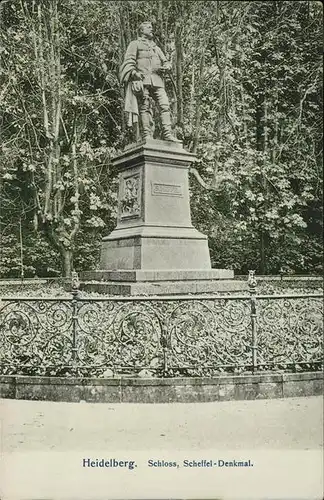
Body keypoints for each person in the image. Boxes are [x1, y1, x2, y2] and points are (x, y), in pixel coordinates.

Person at [119, 21, 179, 142]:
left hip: (157, 80)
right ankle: (147, 135)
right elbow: (128, 62)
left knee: (165, 105)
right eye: (148, 28)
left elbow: (166, 61)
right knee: (145, 107)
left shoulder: (156, 48)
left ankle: (167, 133)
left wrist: (167, 66)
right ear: (141, 31)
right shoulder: (134, 44)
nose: (151, 29)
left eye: (152, 27)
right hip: (143, 81)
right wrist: (134, 73)